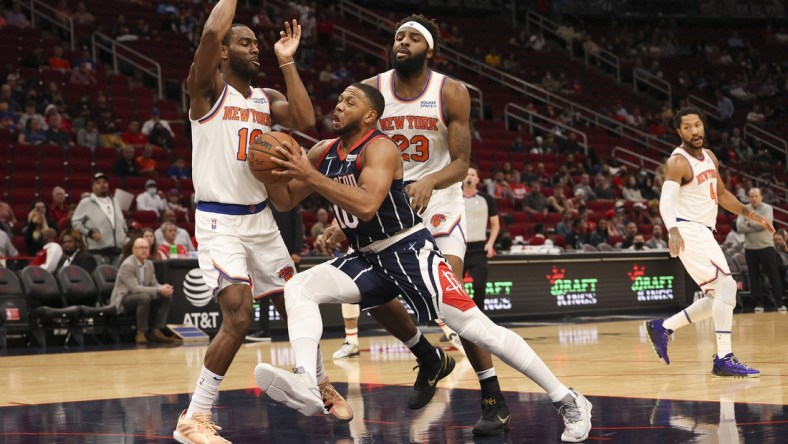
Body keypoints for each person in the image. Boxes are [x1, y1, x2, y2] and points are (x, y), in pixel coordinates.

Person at [254, 83, 592, 443]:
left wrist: (309, 175)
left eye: (349, 102)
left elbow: (368, 204)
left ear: (370, 116)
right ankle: (310, 380)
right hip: (367, 257)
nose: (338, 106)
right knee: (299, 288)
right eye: (338, 100)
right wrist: (267, 173)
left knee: (479, 330)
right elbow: (287, 201)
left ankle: (567, 399)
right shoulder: (324, 151)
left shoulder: (381, 147)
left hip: (409, 252)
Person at [173, 3, 349, 443]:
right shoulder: (207, 90)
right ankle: (194, 417)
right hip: (219, 221)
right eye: (245, 43)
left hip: (261, 219)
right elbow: (209, 37)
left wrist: (287, 60)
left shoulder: (265, 99)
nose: (255, 50)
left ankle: (318, 380)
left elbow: (307, 120)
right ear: (225, 52)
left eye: (256, 44)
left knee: (297, 301)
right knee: (238, 316)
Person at [645, 107, 773, 378]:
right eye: (688, 127)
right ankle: (723, 358)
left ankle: (663, 327)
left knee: (719, 295)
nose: (695, 131)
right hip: (688, 229)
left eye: (698, 125)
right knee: (726, 285)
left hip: (704, 230)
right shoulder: (677, 162)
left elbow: (722, 194)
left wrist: (751, 214)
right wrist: (673, 231)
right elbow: (666, 201)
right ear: (679, 132)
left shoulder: (710, 157)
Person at [110, 238, 176, 345]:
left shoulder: (149, 264)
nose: (144, 250)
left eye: (146, 248)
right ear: (133, 250)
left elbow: (154, 283)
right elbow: (134, 289)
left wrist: (163, 288)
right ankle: (141, 332)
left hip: (142, 295)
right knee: (144, 297)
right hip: (124, 298)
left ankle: (156, 330)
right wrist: (159, 289)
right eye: (141, 248)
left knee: (166, 296)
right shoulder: (128, 265)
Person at [736, 187, 786, 312]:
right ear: (748, 197)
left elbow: (766, 223)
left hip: (766, 247)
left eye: (756, 196)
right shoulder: (744, 208)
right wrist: (758, 223)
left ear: (761, 197)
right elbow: (739, 227)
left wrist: (749, 223)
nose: (753, 198)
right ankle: (758, 304)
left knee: (773, 275)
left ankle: (780, 304)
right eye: (751, 196)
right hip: (750, 248)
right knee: (754, 277)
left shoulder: (767, 208)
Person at [462, 164, 500, 313]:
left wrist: (490, 244)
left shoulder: (486, 198)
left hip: (478, 249)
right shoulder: (454, 198)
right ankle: (457, 326)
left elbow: (495, 224)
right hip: (459, 248)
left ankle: (480, 321)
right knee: (456, 290)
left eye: (472, 174)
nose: (469, 176)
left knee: (479, 285)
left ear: (477, 179)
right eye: (466, 174)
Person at [71, 173, 127, 265]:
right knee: (101, 278)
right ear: (92, 186)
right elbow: (75, 222)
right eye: (98, 183)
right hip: (98, 252)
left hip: (117, 251)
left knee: (116, 278)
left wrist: (124, 233)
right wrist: (90, 233)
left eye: (104, 182)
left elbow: (121, 220)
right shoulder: (86, 202)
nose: (102, 185)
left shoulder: (115, 201)